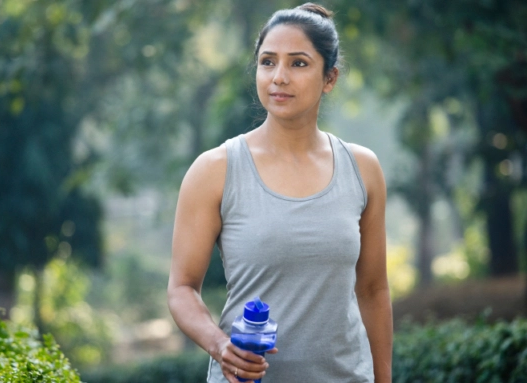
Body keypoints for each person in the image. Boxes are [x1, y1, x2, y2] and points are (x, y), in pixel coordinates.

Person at [167, 3, 392, 382]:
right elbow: (181, 289)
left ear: (330, 78)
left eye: (299, 63)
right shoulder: (215, 170)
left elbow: (373, 290)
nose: (279, 77)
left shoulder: (362, 169)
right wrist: (221, 346)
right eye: (268, 62)